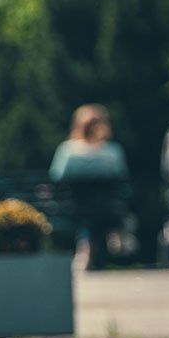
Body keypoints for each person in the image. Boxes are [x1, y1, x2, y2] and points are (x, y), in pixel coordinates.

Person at [50, 103, 129, 269]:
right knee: (97, 206)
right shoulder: (111, 151)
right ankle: (111, 238)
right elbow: (120, 175)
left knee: (91, 209)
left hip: (81, 206)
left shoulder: (68, 150)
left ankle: (85, 247)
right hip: (94, 207)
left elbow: (57, 175)